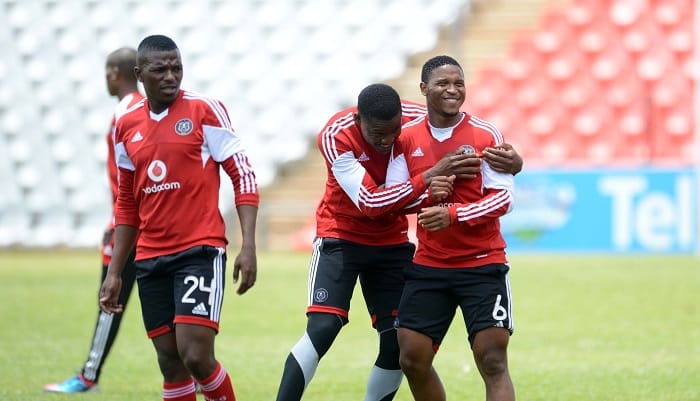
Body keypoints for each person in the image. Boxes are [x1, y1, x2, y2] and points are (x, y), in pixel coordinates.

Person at [275, 83, 522, 401]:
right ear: (358, 121)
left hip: (392, 242)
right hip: (342, 236)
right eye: (377, 133)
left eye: (394, 131)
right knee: (324, 327)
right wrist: (430, 177)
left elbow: (463, 129)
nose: (387, 140)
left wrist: (515, 163)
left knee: (396, 342)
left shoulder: (416, 118)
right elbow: (370, 203)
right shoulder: (335, 134)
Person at [98, 35, 258, 401]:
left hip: (198, 251)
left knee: (196, 355)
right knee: (170, 363)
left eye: (177, 67)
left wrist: (248, 245)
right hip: (150, 257)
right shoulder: (126, 126)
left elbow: (242, 174)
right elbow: (127, 203)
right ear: (140, 74)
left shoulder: (205, 110)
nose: (171, 76)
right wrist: (114, 273)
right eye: (160, 69)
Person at [386, 55, 517, 401]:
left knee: (492, 361)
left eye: (459, 83)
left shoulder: (485, 134)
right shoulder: (407, 139)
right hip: (430, 264)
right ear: (424, 88)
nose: (453, 89)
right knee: (412, 359)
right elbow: (397, 199)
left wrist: (453, 214)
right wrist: (430, 192)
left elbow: (503, 200)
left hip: (482, 262)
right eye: (443, 83)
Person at [44, 47, 143, 394]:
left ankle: (88, 376)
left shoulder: (125, 112)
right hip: (144, 225)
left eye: (107, 72)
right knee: (168, 309)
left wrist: (119, 222)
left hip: (129, 228)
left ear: (115, 73)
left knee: (109, 299)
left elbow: (129, 177)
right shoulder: (143, 110)